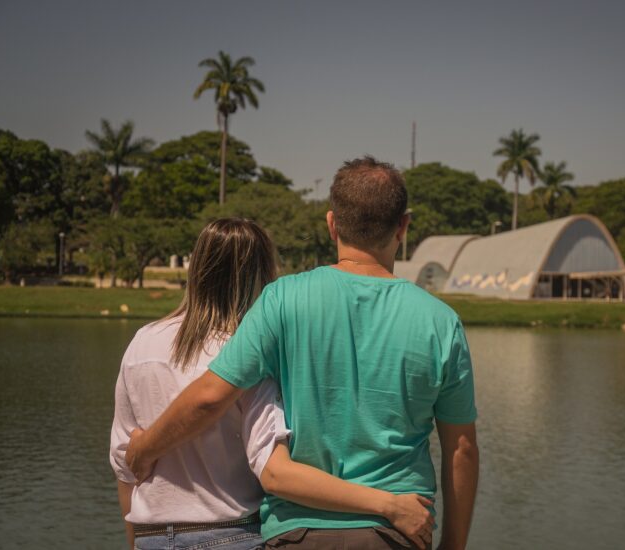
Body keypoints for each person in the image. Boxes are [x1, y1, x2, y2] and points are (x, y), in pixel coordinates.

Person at [126, 158, 480, 549]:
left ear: (332, 224)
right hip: (395, 532)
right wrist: (454, 545)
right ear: (403, 226)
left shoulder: (282, 299)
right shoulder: (442, 322)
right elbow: (461, 449)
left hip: (297, 533)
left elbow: (210, 397)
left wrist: (145, 447)